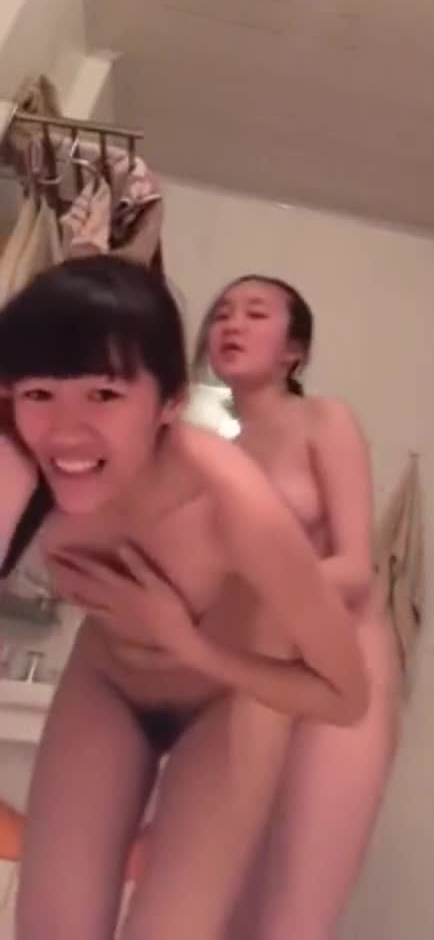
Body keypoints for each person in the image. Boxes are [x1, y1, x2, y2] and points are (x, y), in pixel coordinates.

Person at [0, 256, 368, 940]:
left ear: (170, 402)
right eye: (39, 392)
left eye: (104, 394)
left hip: (225, 698)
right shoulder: (21, 454)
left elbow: (345, 696)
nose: (65, 430)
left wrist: (186, 641)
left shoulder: (235, 499)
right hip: (108, 682)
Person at [196, 274, 402, 938]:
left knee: (296, 916)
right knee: (222, 906)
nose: (231, 323)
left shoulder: (325, 420)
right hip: (256, 675)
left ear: (296, 351)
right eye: (222, 314)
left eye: (255, 313)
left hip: (341, 672)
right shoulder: (218, 457)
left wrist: (256, 589)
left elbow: (356, 569)